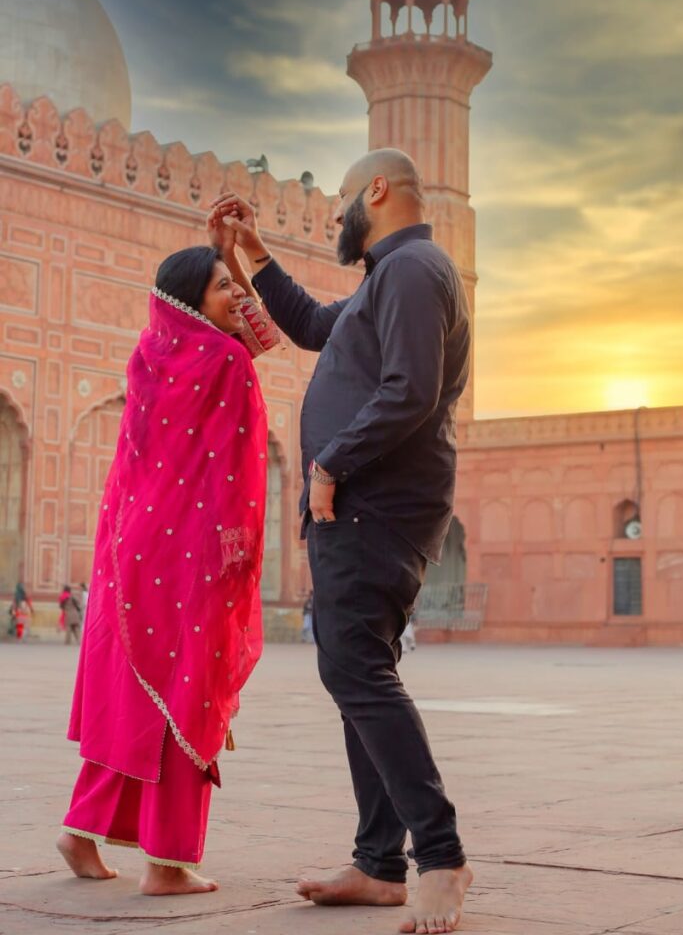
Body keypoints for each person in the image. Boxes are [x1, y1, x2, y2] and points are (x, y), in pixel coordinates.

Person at [210, 148, 473, 935]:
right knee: (356, 668)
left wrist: (330, 462)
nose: (337, 218)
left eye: (344, 203)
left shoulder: (415, 268)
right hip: (366, 506)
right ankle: (378, 864)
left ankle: (442, 855)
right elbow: (316, 327)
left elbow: (410, 390)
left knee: (357, 670)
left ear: (380, 191)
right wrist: (254, 255)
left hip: (376, 505)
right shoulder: (386, 279)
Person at [57, 222, 278, 896]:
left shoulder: (151, 351)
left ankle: (80, 829)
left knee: (140, 690)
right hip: (195, 552)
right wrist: (238, 556)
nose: (237, 298)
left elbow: (255, 332)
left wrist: (230, 262)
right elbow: (265, 350)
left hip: (135, 544)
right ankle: (167, 863)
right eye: (224, 288)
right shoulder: (226, 362)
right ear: (194, 300)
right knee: (189, 690)